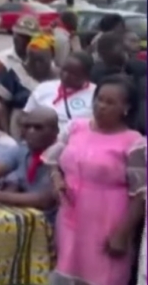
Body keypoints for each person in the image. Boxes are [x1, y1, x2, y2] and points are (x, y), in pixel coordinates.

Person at [44, 75, 145, 285]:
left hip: (108, 220)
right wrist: (57, 179)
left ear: (126, 108)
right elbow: (52, 159)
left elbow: (140, 194)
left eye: (110, 102)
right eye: (99, 99)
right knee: (67, 269)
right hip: (71, 216)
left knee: (103, 275)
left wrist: (122, 234)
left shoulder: (133, 142)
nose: (101, 106)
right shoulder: (76, 128)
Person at [0, 107, 59, 221]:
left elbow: (45, 200)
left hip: (53, 222)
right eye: (27, 126)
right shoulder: (22, 149)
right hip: (28, 217)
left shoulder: (61, 156)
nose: (31, 131)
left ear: (55, 132)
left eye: (38, 127)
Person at [0, 31, 57, 139]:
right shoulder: (15, 74)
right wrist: (6, 133)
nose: (36, 64)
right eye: (32, 60)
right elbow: (2, 106)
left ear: (51, 58)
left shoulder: (60, 78)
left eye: (41, 60)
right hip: (17, 133)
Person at [23, 51, 95, 133]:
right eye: (64, 70)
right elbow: (26, 115)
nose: (65, 76)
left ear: (86, 76)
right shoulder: (43, 88)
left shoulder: (96, 94)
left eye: (73, 74)